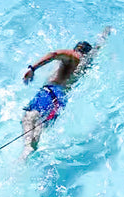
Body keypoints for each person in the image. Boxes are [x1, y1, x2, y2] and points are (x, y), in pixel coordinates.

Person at [20, 27, 111, 159]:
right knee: (39, 126)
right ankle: (28, 152)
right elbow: (97, 48)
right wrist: (104, 35)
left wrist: (32, 68)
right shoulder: (85, 62)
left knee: (28, 117)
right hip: (61, 100)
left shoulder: (73, 56)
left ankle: (26, 150)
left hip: (50, 92)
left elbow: (53, 54)